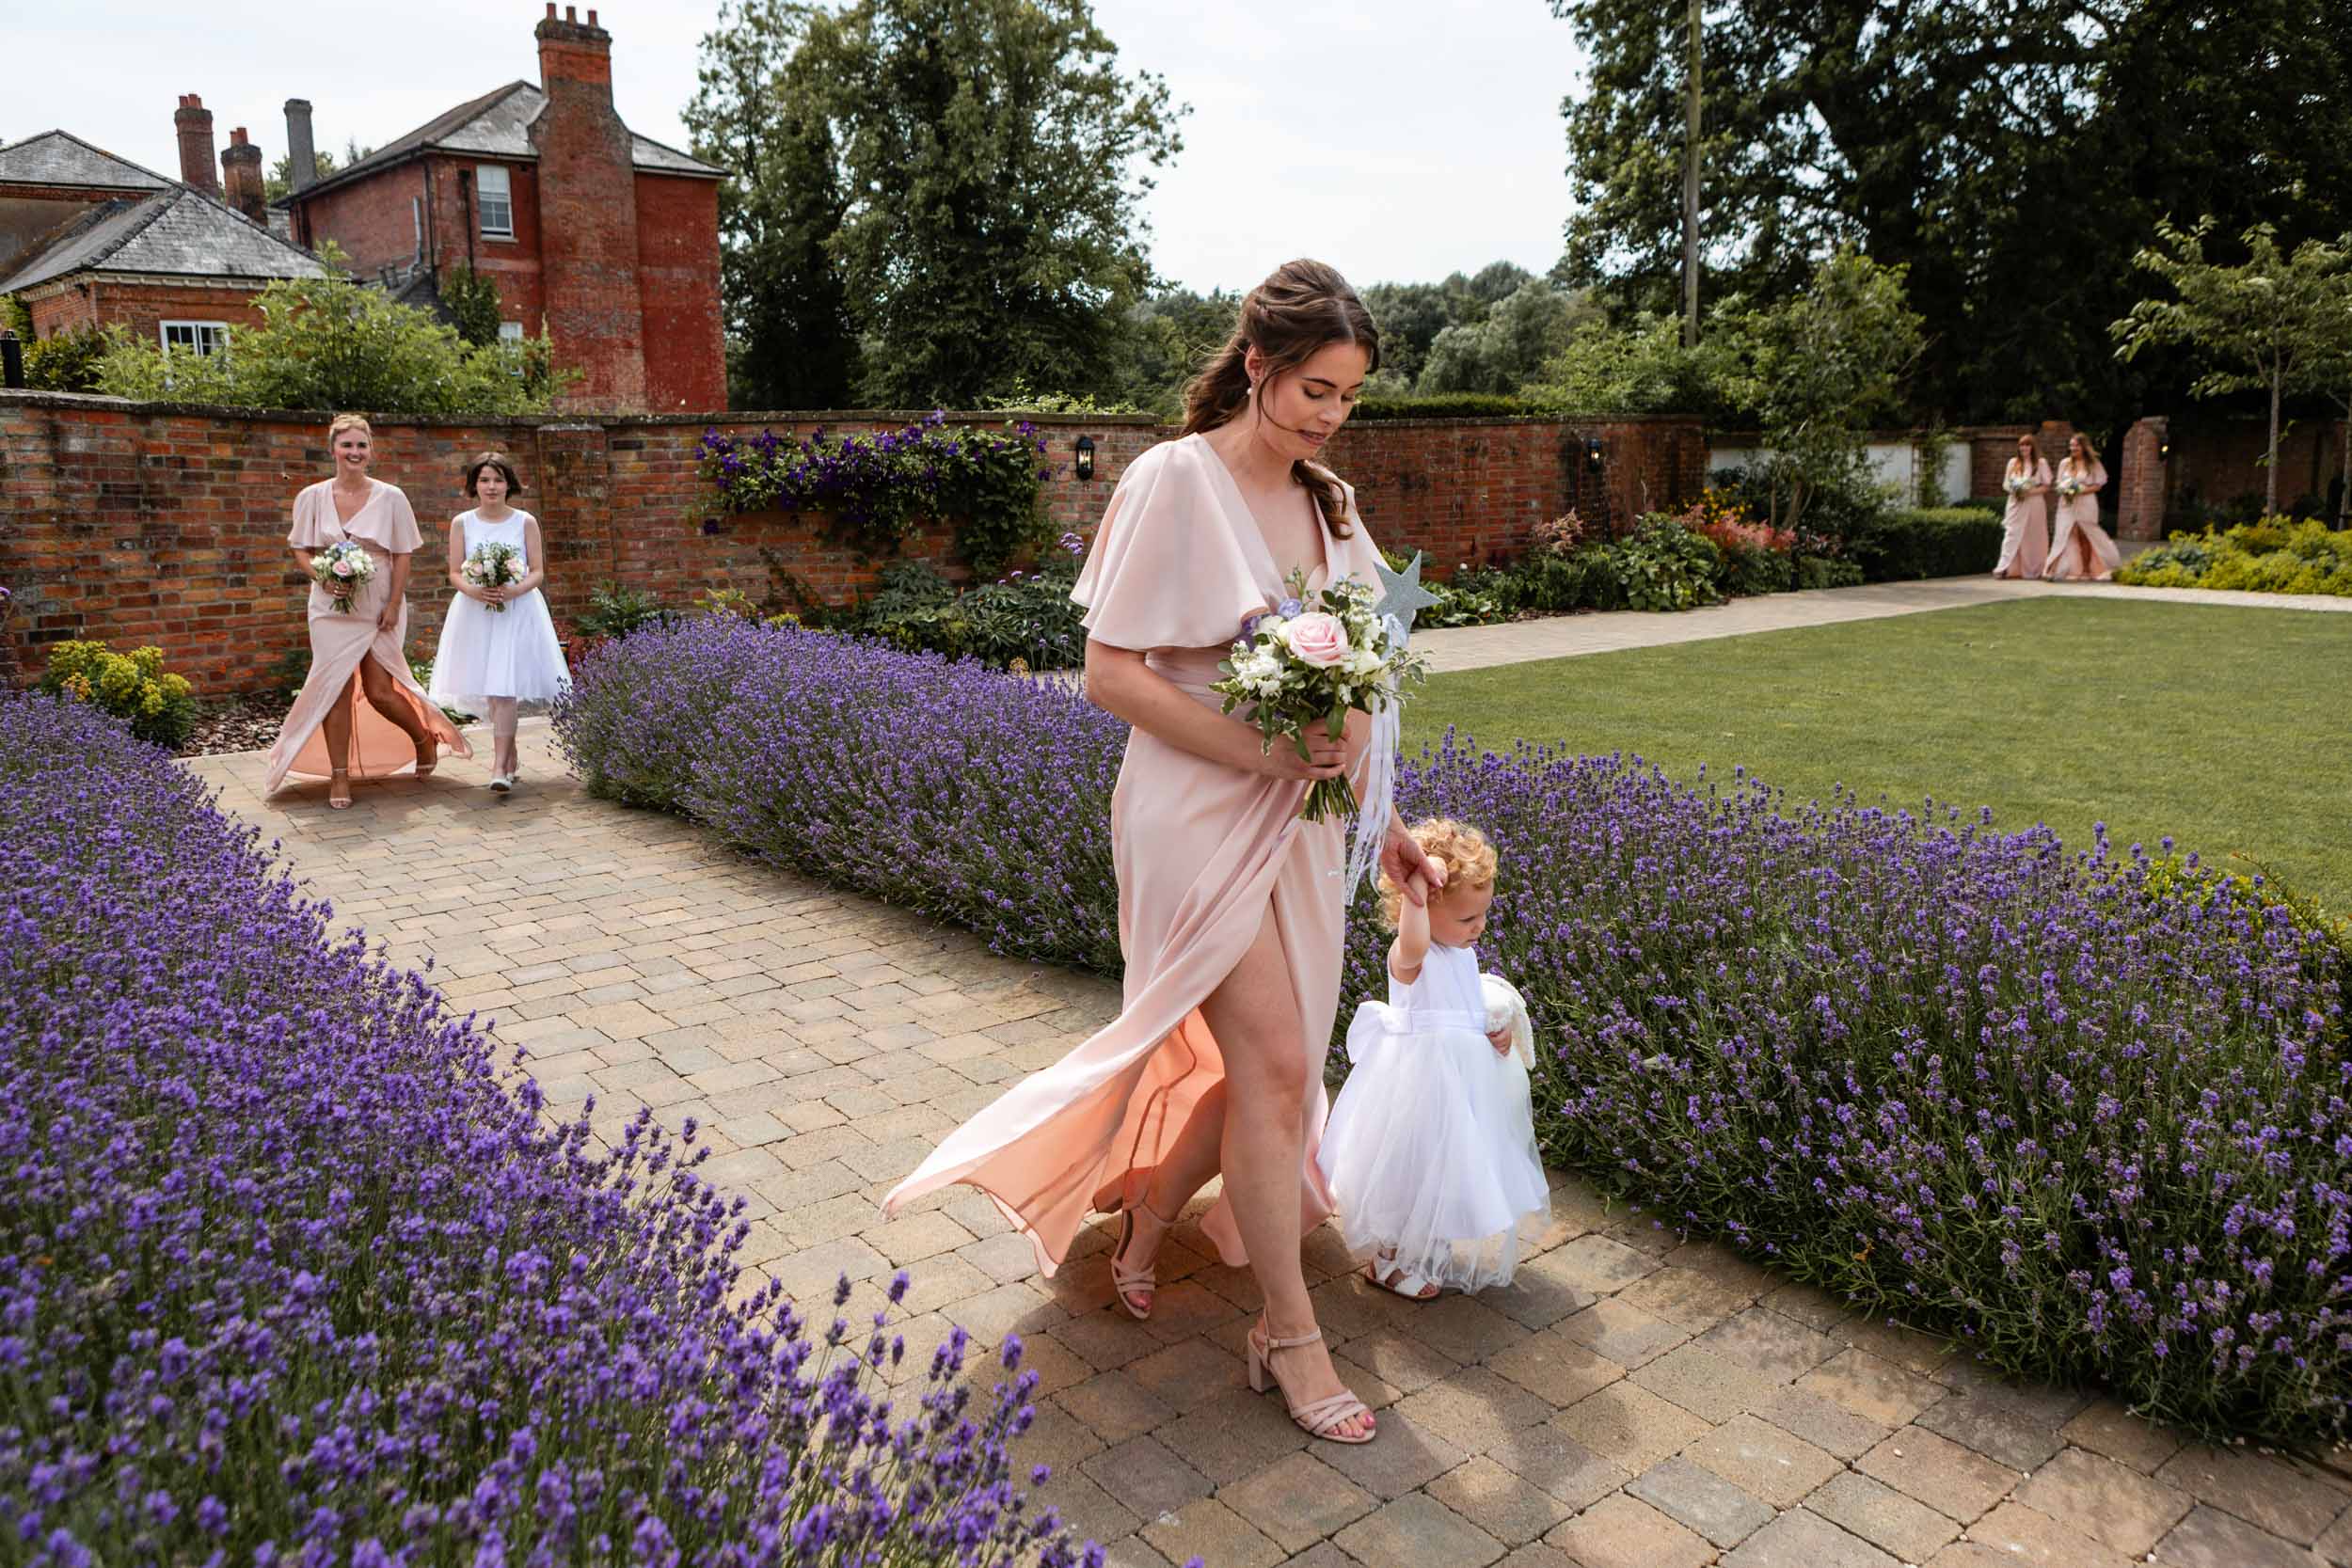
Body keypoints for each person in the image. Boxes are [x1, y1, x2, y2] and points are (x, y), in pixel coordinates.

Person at [884, 259, 1444, 1446]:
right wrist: (1258, 748)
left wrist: (1383, 819)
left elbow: (1364, 690)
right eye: (1313, 390)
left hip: (1306, 821)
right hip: (1195, 810)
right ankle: (1287, 1334)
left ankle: (1145, 1217)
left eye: (1347, 397)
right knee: (1283, 1067)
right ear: (1258, 366)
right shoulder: (1168, 482)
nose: (1328, 417)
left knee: (1263, 1070)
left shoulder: (1335, 507)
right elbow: (1108, 673)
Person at [1317, 819, 1549, 1301]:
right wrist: (1419, 888)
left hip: (1460, 1088)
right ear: (1416, 908)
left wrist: (1497, 1036)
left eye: (1483, 915)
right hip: (1417, 1089)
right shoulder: (1410, 956)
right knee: (1410, 1173)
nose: (1479, 928)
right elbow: (1417, 941)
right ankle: (1387, 1260)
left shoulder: (1462, 955)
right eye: (1467, 919)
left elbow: (1467, 1012)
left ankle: (1426, 1245)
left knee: (1449, 1168)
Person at [265, 414, 469, 807]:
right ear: (333, 451)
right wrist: (321, 577)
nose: (354, 452)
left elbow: (403, 554)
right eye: (347, 445)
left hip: (379, 602)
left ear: (371, 451)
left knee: (380, 690)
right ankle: (339, 777)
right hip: (329, 605)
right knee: (333, 687)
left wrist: (393, 604)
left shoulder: (391, 497)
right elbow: (300, 549)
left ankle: (423, 738)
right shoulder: (311, 496)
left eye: (361, 445)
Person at [427, 451, 569, 790]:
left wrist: (513, 589)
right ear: (474, 485)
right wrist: (475, 591)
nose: (492, 486)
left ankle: (499, 766)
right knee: (492, 692)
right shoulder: (463, 523)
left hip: (517, 611)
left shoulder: (524, 521)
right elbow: (454, 571)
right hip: (476, 612)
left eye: (498, 479)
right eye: (485, 480)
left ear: (509, 484)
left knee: (503, 689)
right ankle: (511, 753)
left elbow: (537, 572)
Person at [2045, 433, 2120, 581]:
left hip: (2086, 502)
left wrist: (2080, 490)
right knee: (2065, 534)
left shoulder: (2093, 464)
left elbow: (2098, 485)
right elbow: (2059, 483)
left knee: (2085, 534)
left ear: (2084, 447)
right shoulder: (2065, 463)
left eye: (2076, 445)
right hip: (2067, 504)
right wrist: (2064, 489)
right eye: (2071, 445)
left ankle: (2088, 569)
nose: (2073, 448)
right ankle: (2064, 569)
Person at [1994, 433, 2052, 580]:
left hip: (2035, 504)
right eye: (2021, 445)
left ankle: (2036, 569)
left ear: (2032, 447)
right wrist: (2015, 490)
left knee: (2034, 537)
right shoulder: (2013, 462)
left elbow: (2046, 486)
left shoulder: (2041, 463)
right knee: (2011, 534)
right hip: (2015, 503)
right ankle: (2003, 568)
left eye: (2027, 445)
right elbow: (2006, 483)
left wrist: (2029, 492)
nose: (2024, 448)